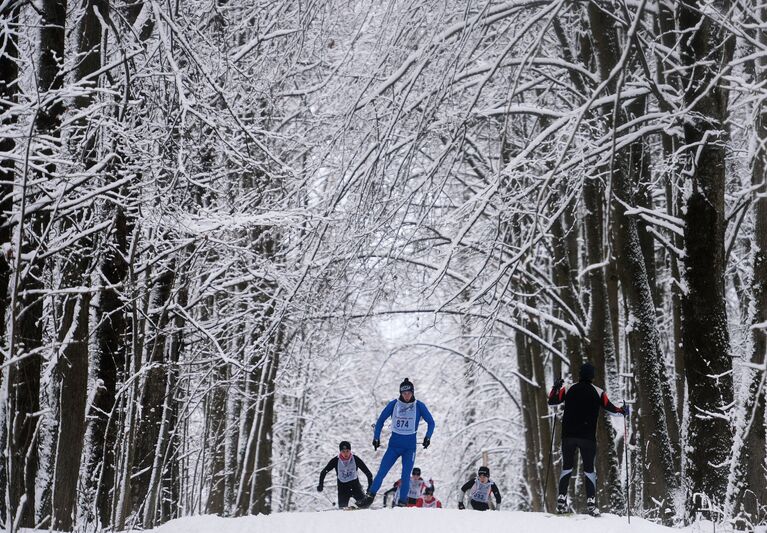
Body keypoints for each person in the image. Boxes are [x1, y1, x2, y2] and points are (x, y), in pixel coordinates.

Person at [547, 361, 628, 516]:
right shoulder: (598, 392)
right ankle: (591, 503)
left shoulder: (569, 388)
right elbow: (612, 410)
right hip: (587, 438)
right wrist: (623, 411)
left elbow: (552, 402)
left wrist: (555, 388)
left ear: (579, 375)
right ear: (592, 376)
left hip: (568, 436)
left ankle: (561, 500)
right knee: (589, 469)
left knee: (567, 468)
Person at [357, 378, 436, 508]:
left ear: (412, 392)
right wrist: (376, 437)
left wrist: (428, 437)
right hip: (394, 446)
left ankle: (402, 502)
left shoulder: (419, 406)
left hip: (409, 448)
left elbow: (431, 422)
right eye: (404, 393)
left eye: (409, 393)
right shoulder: (394, 404)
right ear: (400, 393)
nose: (407, 396)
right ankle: (369, 497)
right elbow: (380, 421)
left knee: (405, 476)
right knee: (382, 471)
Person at [317, 440, 374, 508]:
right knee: (342, 510)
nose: (346, 454)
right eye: (343, 451)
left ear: (350, 451)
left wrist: (369, 488)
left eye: (347, 451)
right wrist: (321, 484)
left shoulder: (355, 459)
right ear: (340, 452)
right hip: (342, 489)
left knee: (365, 506)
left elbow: (368, 474)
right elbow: (324, 472)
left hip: (355, 487)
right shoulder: (335, 461)